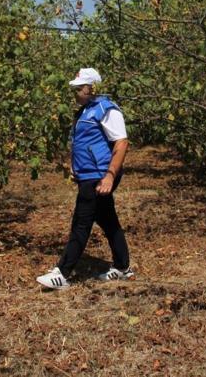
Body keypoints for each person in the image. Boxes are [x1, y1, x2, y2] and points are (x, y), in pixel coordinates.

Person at [37, 68, 133, 290]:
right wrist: (74, 166)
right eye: (75, 89)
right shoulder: (84, 112)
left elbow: (121, 143)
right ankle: (123, 267)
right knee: (108, 220)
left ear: (93, 88)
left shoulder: (106, 109)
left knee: (81, 222)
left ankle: (62, 273)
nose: (76, 92)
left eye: (80, 88)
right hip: (88, 174)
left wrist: (109, 176)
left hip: (99, 175)